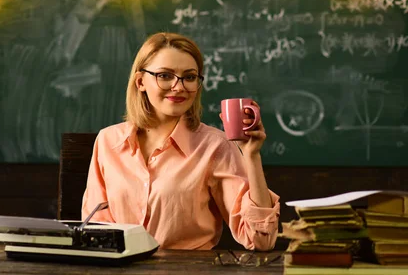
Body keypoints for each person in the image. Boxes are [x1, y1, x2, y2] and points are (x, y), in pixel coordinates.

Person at [81, 32, 280, 250]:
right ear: (140, 82)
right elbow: (95, 230)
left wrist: (251, 156)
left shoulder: (215, 146)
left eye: (189, 77)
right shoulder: (108, 141)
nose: (179, 87)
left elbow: (261, 240)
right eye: (165, 76)